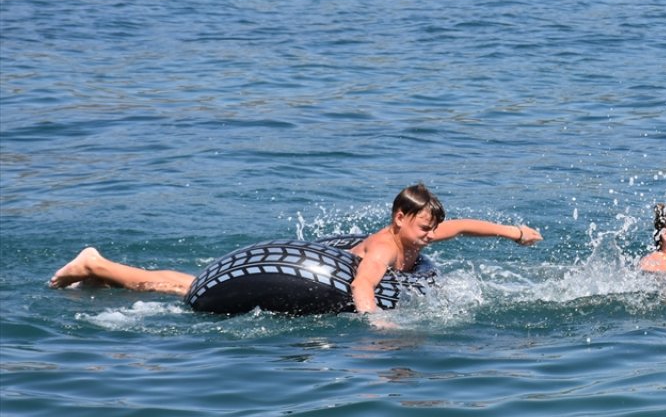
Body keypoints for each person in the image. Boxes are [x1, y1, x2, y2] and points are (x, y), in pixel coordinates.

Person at [49, 183, 542, 314]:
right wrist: (376, 322)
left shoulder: (419, 236)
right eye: (424, 227)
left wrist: (514, 232)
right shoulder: (382, 251)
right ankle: (96, 263)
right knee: (186, 290)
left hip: (319, 262)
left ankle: (98, 270)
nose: (431, 234)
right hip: (291, 272)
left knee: (180, 284)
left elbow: (462, 227)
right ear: (399, 218)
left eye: (432, 226)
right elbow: (364, 285)